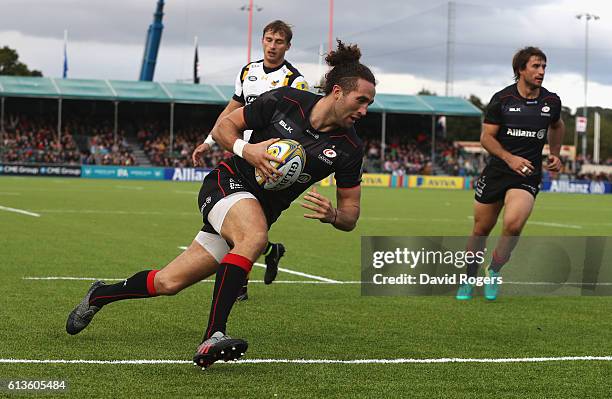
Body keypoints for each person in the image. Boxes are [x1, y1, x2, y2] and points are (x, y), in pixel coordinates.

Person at [66, 40, 376, 369]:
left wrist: (333, 215)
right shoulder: (287, 100)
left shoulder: (349, 148)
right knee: (254, 238)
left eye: (369, 104)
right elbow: (224, 126)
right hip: (226, 183)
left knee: (168, 282)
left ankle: (100, 294)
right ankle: (214, 335)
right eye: (361, 100)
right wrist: (249, 151)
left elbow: (351, 216)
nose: (364, 111)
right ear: (338, 92)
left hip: (255, 213)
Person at [193, 20, 309, 299]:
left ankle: (243, 278)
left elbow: (301, 126)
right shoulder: (248, 71)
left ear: (288, 46)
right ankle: (268, 252)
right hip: (242, 150)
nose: (272, 46)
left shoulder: (295, 81)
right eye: (268, 40)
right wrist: (209, 141)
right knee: (240, 219)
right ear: (262, 40)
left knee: (251, 219)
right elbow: (232, 109)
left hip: (270, 157)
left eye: (278, 42)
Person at [456, 46, 565, 301]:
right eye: (536, 66)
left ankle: (494, 270)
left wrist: (555, 153)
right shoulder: (502, 100)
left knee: (514, 224)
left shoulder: (551, 101)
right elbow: (487, 138)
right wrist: (509, 158)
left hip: (527, 174)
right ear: (520, 70)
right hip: (497, 172)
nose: (541, 72)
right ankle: (469, 277)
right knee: (481, 229)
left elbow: (557, 126)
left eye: (544, 67)